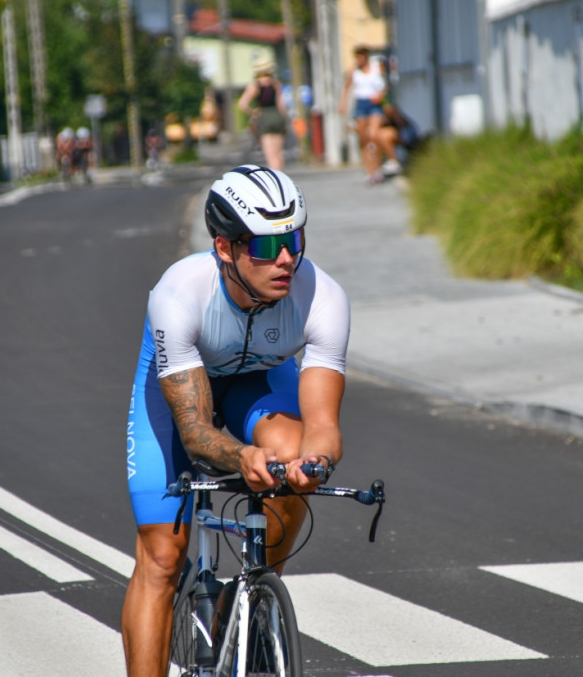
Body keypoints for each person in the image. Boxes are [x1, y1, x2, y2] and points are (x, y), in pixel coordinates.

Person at [122, 165, 350, 676]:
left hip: (258, 383)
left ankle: (248, 600)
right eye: (267, 247)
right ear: (225, 248)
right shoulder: (179, 294)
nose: (287, 258)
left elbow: (323, 425)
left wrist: (315, 463)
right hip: (184, 392)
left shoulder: (324, 298)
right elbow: (197, 433)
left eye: (294, 238)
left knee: (293, 461)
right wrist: (242, 455)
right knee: (162, 556)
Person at [339, 45, 401, 184]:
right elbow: (346, 87)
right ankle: (369, 172)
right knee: (364, 140)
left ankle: (377, 168)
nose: (359, 59)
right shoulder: (353, 70)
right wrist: (343, 104)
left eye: (362, 56)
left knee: (374, 135)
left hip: (374, 103)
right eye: (357, 57)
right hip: (361, 103)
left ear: (366, 56)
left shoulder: (376, 67)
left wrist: (381, 95)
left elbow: (386, 85)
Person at [237, 59, 287, 171]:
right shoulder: (275, 83)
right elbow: (281, 105)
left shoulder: (255, 85)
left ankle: (275, 180)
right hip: (277, 116)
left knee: (270, 155)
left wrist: (253, 112)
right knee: (278, 154)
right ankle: (282, 176)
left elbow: (242, 104)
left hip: (264, 117)